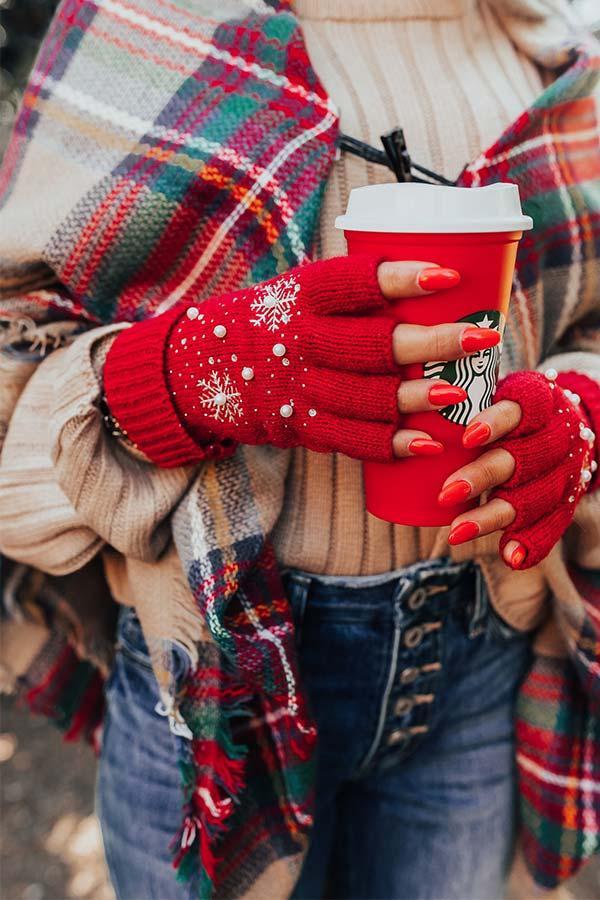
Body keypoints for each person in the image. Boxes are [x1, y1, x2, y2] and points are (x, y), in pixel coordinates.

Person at [0, 1, 598, 898]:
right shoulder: (144, 22)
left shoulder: (554, 53)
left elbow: (586, 325)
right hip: (211, 668)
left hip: (477, 654)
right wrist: (181, 376)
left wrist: (579, 415)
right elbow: (16, 342)